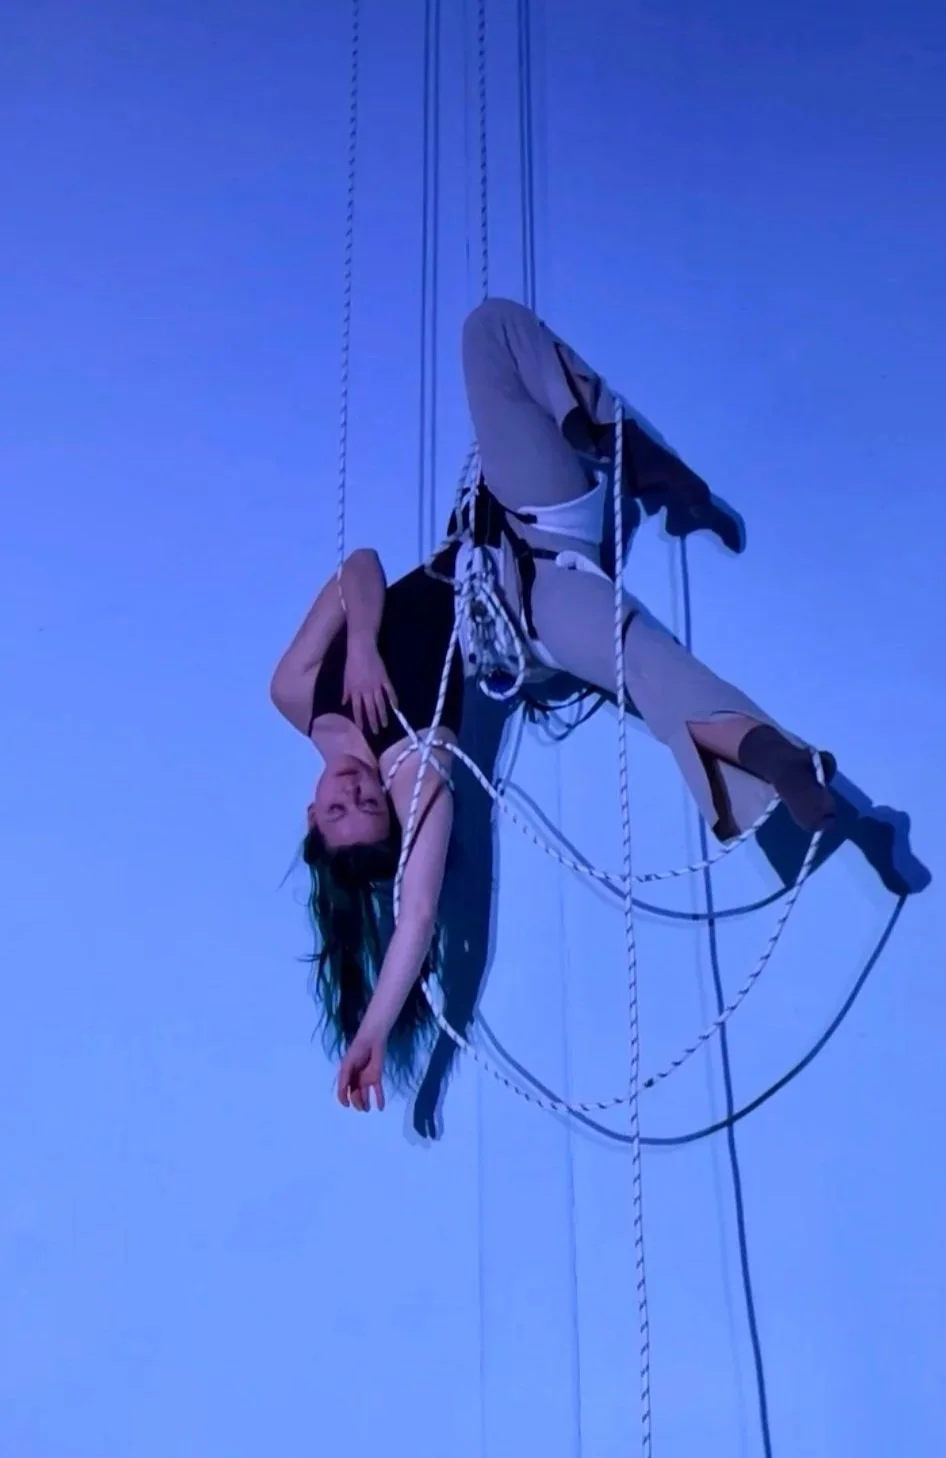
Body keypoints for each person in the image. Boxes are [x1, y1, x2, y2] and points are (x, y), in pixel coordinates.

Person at [269, 298, 837, 1115]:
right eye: (369, 812)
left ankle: (623, 442)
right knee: (644, 661)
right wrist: (373, 1032)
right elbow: (419, 913)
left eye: (338, 809)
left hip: (508, 520)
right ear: (389, 819)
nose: (357, 794)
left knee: (487, 331)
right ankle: (772, 759)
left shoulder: (295, 694)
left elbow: (358, 565)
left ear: (312, 813)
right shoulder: (413, 776)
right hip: (532, 608)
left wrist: (360, 643)